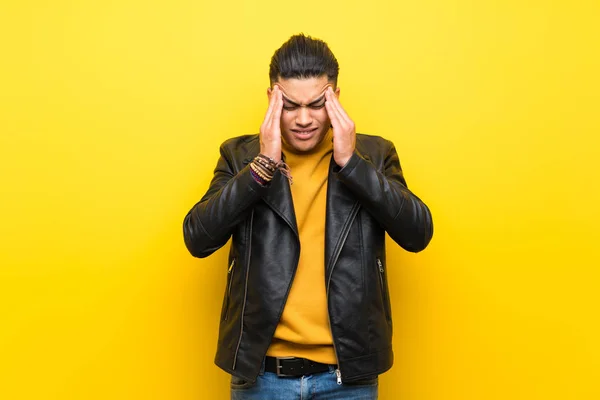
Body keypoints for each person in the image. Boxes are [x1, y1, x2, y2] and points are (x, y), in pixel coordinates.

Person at [183, 34, 433, 400]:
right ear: (272, 99)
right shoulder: (241, 157)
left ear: (335, 98)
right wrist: (263, 166)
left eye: (316, 104)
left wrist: (353, 166)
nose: (303, 119)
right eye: (290, 105)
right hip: (262, 377)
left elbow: (418, 233)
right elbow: (198, 237)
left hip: (347, 379)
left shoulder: (375, 155)